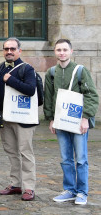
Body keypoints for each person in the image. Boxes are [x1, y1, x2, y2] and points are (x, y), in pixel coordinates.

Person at [44, 39, 98, 205]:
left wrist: (85, 118)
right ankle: (69, 190)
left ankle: (82, 192)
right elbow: (49, 97)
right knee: (65, 158)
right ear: (55, 52)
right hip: (60, 121)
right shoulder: (51, 73)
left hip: (78, 121)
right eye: (59, 50)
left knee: (81, 159)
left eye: (65, 50)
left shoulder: (81, 71)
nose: (62, 53)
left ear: (71, 51)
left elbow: (91, 95)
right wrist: (51, 119)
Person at [0, 37, 37, 201]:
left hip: (24, 119)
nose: (9, 51)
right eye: (6, 49)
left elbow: (30, 90)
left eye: (12, 49)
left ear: (19, 51)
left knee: (26, 152)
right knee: (11, 151)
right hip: (5, 117)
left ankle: (29, 188)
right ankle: (16, 184)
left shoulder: (27, 69)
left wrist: (10, 80)